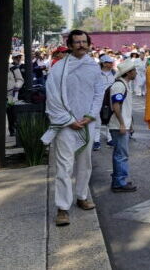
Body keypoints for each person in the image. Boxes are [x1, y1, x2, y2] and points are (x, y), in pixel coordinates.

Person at [42, 30, 105, 227]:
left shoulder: (94, 68)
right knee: (64, 167)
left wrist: (89, 116)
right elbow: (52, 96)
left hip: (87, 123)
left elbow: (98, 94)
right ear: (69, 45)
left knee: (85, 164)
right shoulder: (59, 69)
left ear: (89, 44)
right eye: (76, 42)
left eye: (84, 42)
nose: (80, 45)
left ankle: (82, 196)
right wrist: (68, 120)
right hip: (65, 125)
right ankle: (62, 208)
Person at [109, 60, 138, 192]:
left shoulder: (125, 85)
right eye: (134, 70)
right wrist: (122, 123)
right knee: (121, 155)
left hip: (123, 124)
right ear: (129, 73)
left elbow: (126, 108)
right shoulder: (119, 86)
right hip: (118, 125)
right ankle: (119, 183)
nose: (136, 73)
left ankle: (119, 179)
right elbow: (116, 106)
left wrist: (129, 123)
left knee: (120, 154)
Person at [94, 55, 116, 151]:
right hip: (99, 100)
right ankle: (96, 141)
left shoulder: (114, 73)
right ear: (103, 63)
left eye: (111, 62)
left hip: (110, 100)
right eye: (109, 62)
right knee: (97, 120)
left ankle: (110, 139)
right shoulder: (96, 74)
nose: (111, 64)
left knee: (110, 119)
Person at [6, 53, 26, 136]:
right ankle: (12, 129)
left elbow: (22, 79)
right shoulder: (11, 67)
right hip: (11, 94)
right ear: (13, 58)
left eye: (19, 57)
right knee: (11, 113)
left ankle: (18, 128)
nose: (18, 59)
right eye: (17, 57)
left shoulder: (23, 66)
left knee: (18, 113)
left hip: (21, 93)